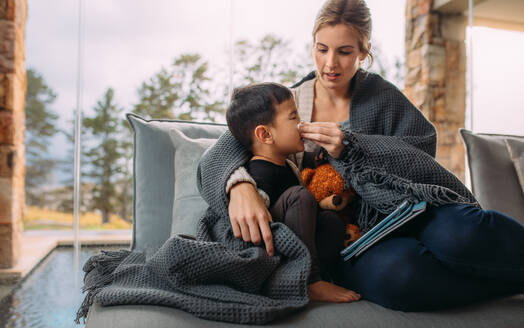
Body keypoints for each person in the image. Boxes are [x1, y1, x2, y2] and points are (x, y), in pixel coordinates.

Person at [198, 0, 524, 311]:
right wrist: (238, 187)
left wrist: (352, 146)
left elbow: (420, 153)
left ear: (364, 52)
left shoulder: (383, 98)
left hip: (412, 209)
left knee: (463, 235)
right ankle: (507, 286)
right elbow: (221, 152)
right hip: (353, 238)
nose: (330, 64)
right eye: (322, 49)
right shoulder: (288, 102)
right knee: (401, 276)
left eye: (344, 52)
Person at [226, 82, 361, 303]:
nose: (302, 124)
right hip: (273, 251)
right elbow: (257, 221)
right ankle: (309, 281)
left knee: (330, 221)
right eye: (293, 117)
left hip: (299, 245)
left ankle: (324, 275)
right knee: (300, 196)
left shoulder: (288, 164)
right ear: (265, 134)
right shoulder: (259, 172)